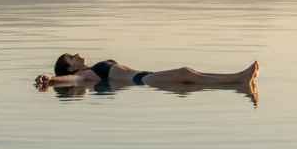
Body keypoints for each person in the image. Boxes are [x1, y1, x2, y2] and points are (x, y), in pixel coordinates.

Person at [35, 53, 259, 93]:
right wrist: (51, 79)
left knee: (193, 74)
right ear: (72, 67)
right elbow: (72, 80)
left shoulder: (91, 72)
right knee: (186, 72)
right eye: (72, 58)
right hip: (144, 80)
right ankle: (238, 79)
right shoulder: (87, 75)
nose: (78, 54)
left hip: (146, 76)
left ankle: (237, 78)